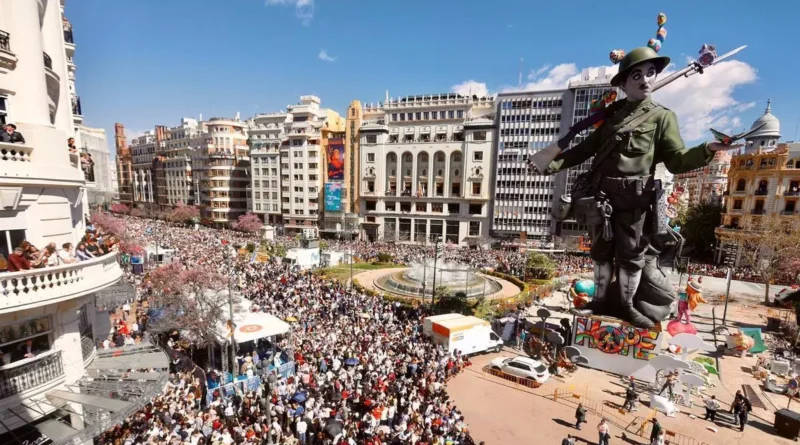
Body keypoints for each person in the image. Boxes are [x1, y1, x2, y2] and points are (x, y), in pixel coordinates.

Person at [541, 46, 734, 328]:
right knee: (600, 253)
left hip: (635, 199)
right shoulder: (611, 116)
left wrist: (708, 149)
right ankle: (600, 301)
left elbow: (677, 160)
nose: (645, 80)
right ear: (623, 83)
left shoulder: (662, 117)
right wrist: (547, 165)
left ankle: (629, 305)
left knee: (632, 258)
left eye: (651, 73)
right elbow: (584, 149)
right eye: (637, 75)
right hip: (602, 196)